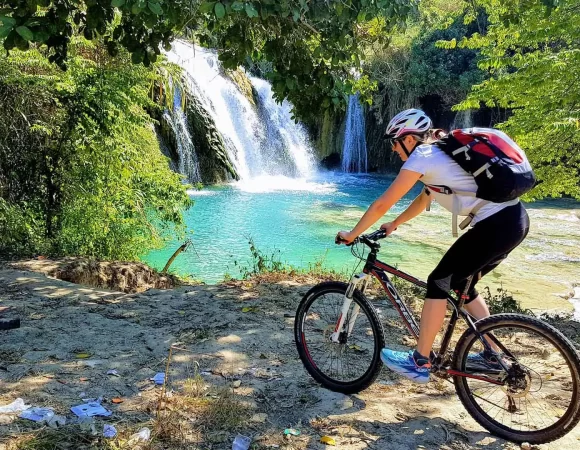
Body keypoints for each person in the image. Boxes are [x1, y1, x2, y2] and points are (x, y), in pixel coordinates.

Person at [336, 108, 530, 383]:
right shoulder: (440, 151)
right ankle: (493, 354)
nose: (393, 149)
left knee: (438, 281)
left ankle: (420, 361)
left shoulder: (423, 156)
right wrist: (396, 224)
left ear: (410, 139)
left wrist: (353, 233)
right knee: (464, 285)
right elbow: (426, 197)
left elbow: (381, 202)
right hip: (515, 221)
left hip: (496, 226)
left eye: (395, 141)